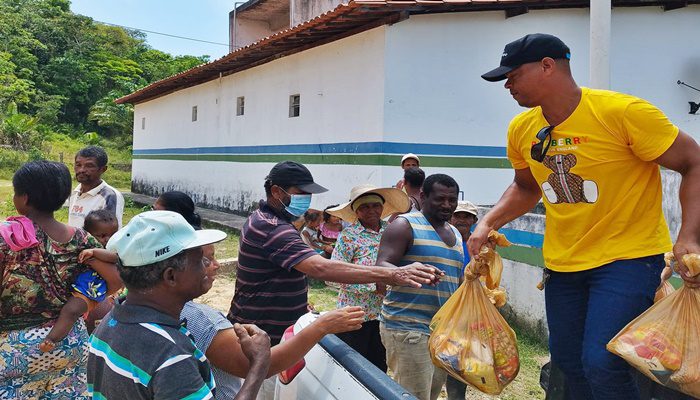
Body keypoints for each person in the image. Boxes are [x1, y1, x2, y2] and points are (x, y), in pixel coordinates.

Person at [473, 33, 700, 400]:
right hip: (563, 264)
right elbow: (525, 187)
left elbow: (693, 162)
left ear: (548, 66)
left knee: (603, 361)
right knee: (569, 362)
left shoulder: (622, 113)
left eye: (513, 74)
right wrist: (488, 222)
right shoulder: (522, 129)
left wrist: (689, 236)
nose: (507, 85)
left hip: (627, 258)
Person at [227, 161, 442, 400]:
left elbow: (278, 274)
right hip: (262, 334)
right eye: (301, 194)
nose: (307, 200)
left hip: (282, 330)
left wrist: (298, 304)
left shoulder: (272, 222)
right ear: (277, 192)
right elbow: (320, 267)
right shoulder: (271, 227)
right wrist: (392, 274)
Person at [88, 210, 271, 399]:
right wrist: (258, 365)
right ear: (171, 276)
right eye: (200, 260)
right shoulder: (171, 355)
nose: (207, 267)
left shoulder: (110, 321)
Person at [182, 238, 367, 398]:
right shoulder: (200, 320)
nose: (217, 265)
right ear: (172, 273)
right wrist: (320, 326)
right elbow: (257, 366)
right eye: (205, 261)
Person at [0, 161, 118, 399]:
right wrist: (86, 301)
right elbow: (115, 282)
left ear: (23, 198)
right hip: (69, 342)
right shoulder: (82, 239)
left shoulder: (7, 238)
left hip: (13, 348)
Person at [377, 174, 464, 400]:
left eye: (452, 200)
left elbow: (458, 279)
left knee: (430, 394)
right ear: (423, 196)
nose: (447, 205)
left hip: (441, 332)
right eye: (440, 199)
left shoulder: (454, 233)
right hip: (407, 328)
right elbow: (381, 267)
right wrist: (405, 272)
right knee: (411, 396)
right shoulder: (404, 225)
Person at [326, 184, 410, 372]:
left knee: (379, 366)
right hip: (356, 315)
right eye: (365, 207)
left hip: (386, 313)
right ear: (356, 211)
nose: (371, 210)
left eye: (375, 205)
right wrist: (373, 284)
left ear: (382, 208)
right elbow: (332, 274)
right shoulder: (348, 236)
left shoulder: (392, 231)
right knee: (352, 366)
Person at [445, 200, 478, 400]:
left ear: (474, 220)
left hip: (469, 309)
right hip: (444, 306)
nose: (462, 220)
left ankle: (456, 396)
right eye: (458, 215)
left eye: (467, 216)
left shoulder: (480, 244)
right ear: (451, 217)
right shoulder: (446, 240)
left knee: (460, 356)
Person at [68, 146, 125, 228]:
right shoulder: (75, 193)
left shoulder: (110, 196)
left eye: (89, 166)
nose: (81, 170)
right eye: (78, 165)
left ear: (103, 169)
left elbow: (112, 233)